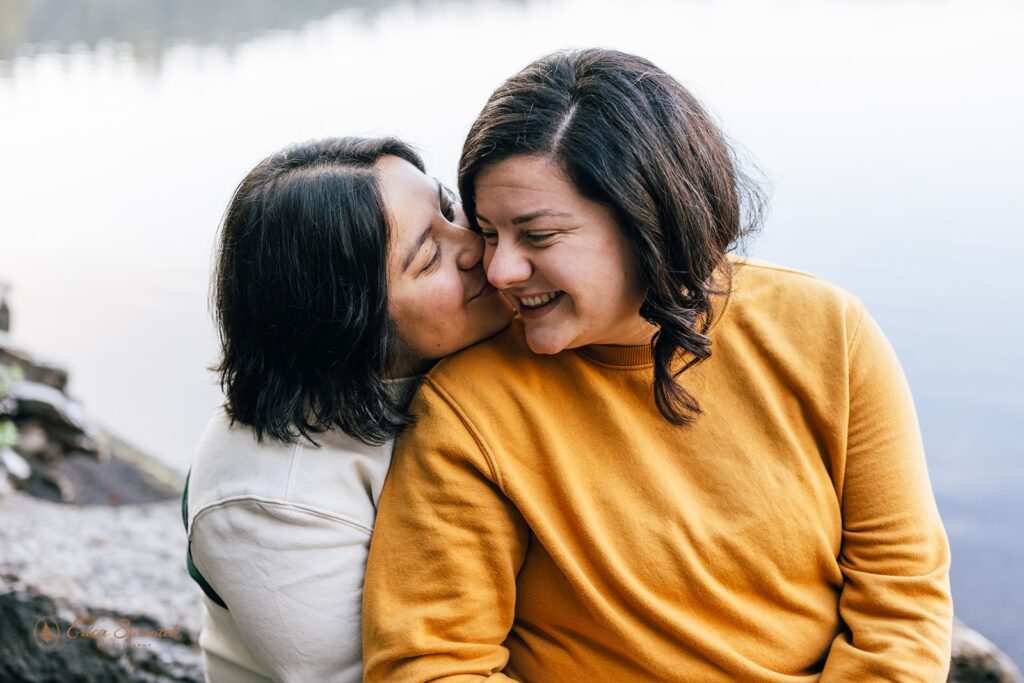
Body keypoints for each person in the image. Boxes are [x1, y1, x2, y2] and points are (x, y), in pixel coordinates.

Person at [363, 49, 953, 681]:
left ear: (649, 218)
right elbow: (430, 665)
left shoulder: (827, 330)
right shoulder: (468, 405)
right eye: (488, 231)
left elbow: (901, 594)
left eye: (538, 236)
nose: (500, 269)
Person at [183, 136, 513, 683]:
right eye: (430, 257)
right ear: (347, 320)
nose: (478, 246)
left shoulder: (468, 346)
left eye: (449, 207)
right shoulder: (271, 499)